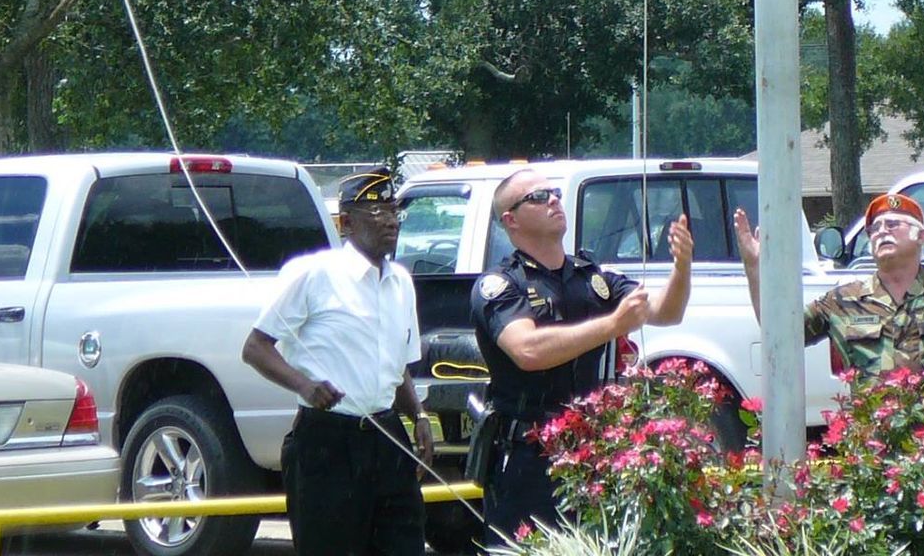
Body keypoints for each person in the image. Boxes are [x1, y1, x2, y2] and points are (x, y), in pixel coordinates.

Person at [471, 168, 693, 542]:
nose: (554, 200)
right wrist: (612, 325)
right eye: (538, 198)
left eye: (554, 193)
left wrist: (682, 266)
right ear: (510, 220)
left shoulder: (594, 278)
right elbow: (528, 350)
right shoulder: (501, 285)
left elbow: (667, 312)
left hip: (596, 451)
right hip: (529, 455)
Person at [242, 168, 435, 556]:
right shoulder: (314, 275)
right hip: (328, 441)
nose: (391, 220)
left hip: (386, 436)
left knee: (404, 545)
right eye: (377, 211)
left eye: (394, 210)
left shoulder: (400, 282)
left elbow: (397, 367)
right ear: (347, 222)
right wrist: (304, 385)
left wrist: (418, 415)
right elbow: (255, 348)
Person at [733, 193, 924, 399]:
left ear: (922, 236)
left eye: (893, 225)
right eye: (875, 229)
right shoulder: (843, 300)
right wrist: (754, 269)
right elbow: (779, 333)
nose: (882, 232)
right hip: (873, 456)